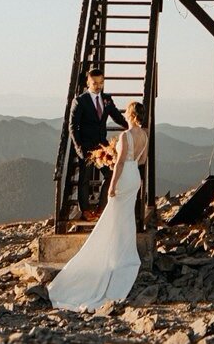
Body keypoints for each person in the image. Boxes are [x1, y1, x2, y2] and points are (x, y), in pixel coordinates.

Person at [48, 101, 148, 310]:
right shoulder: (145, 136)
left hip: (124, 176)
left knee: (113, 216)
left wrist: (111, 185)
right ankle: (125, 255)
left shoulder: (125, 136)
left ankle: (110, 255)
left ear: (130, 115)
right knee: (126, 216)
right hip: (135, 178)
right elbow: (141, 160)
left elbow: (120, 163)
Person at [69, 70, 128, 220]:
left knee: (110, 175)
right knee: (84, 179)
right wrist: (79, 148)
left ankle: (101, 208)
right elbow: (72, 127)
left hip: (103, 146)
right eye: (95, 83)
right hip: (86, 147)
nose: (98, 86)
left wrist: (131, 125)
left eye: (101, 82)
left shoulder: (107, 99)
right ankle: (86, 210)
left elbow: (117, 116)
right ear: (88, 83)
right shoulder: (80, 101)